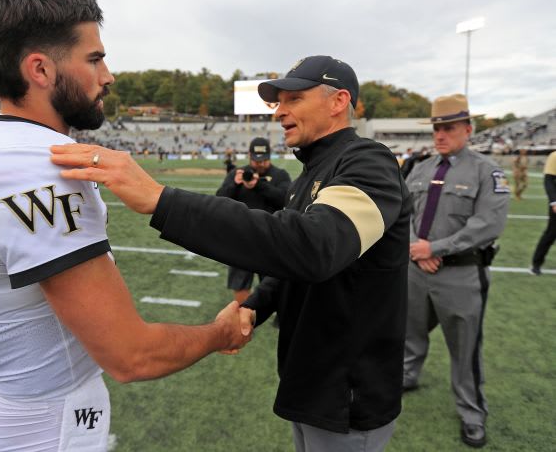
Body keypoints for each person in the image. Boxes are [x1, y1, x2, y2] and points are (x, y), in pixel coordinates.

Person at [0, 0, 250, 452]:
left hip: (12, 394)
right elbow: (131, 355)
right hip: (46, 420)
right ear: (40, 70)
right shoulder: (33, 167)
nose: (108, 76)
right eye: (93, 59)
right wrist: (220, 332)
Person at [51, 55, 412, 452]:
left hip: (348, 388)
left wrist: (162, 200)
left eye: (293, 98)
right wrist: (254, 307)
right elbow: (292, 266)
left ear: (338, 100)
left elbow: (316, 248)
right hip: (314, 378)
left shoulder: (368, 160)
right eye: (278, 101)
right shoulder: (311, 171)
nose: (280, 112)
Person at [403, 94, 510, 448]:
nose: (440, 135)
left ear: (468, 129)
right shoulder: (421, 168)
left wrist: (434, 248)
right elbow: (401, 213)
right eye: (436, 128)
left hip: (460, 275)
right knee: (409, 332)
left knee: (465, 350)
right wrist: (416, 247)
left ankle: (472, 413)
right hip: (417, 270)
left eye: (448, 128)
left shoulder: (486, 171)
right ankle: (407, 375)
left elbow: (488, 225)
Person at [216, 137, 291, 304]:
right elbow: (219, 200)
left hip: (270, 238)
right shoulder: (238, 174)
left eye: (264, 160)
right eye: (256, 160)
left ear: (269, 156)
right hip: (241, 238)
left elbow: (285, 200)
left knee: (274, 284)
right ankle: (244, 321)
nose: (260, 164)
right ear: (249, 156)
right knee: (240, 284)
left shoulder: (280, 175)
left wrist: (260, 185)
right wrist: (235, 185)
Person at [530, 150, 556, 275]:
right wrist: (554, 202)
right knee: (551, 233)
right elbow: (548, 181)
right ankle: (536, 263)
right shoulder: (554, 156)